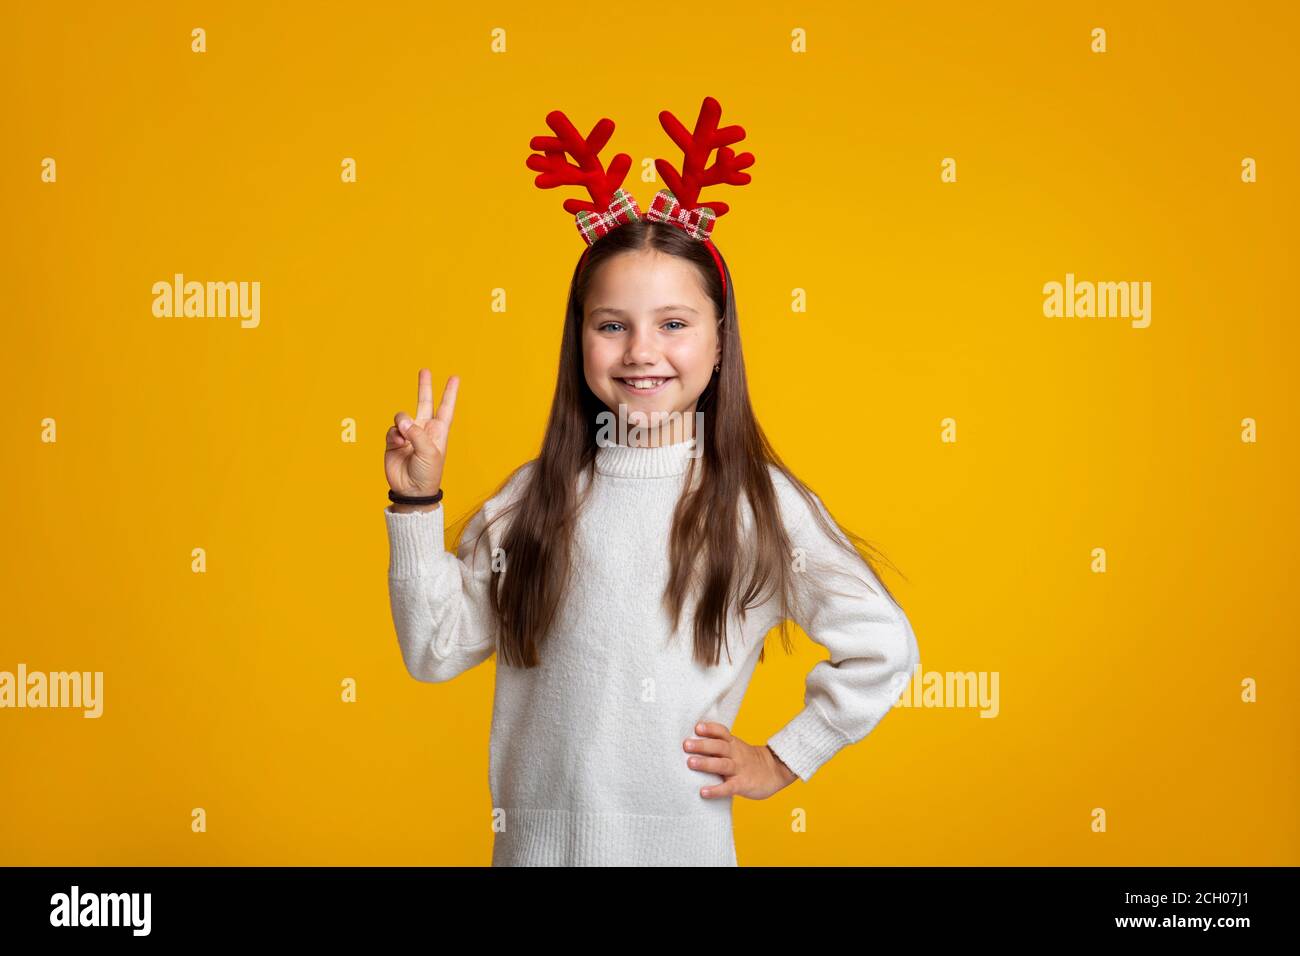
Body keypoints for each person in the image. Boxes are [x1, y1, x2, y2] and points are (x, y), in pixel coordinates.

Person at [381, 97, 920, 866]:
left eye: (673, 324)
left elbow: (883, 645)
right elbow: (434, 649)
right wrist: (415, 502)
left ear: (719, 338)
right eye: (612, 325)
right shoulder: (532, 499)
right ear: (580, 340)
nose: (642, 351)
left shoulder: (754, 506)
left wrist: (783, 757)